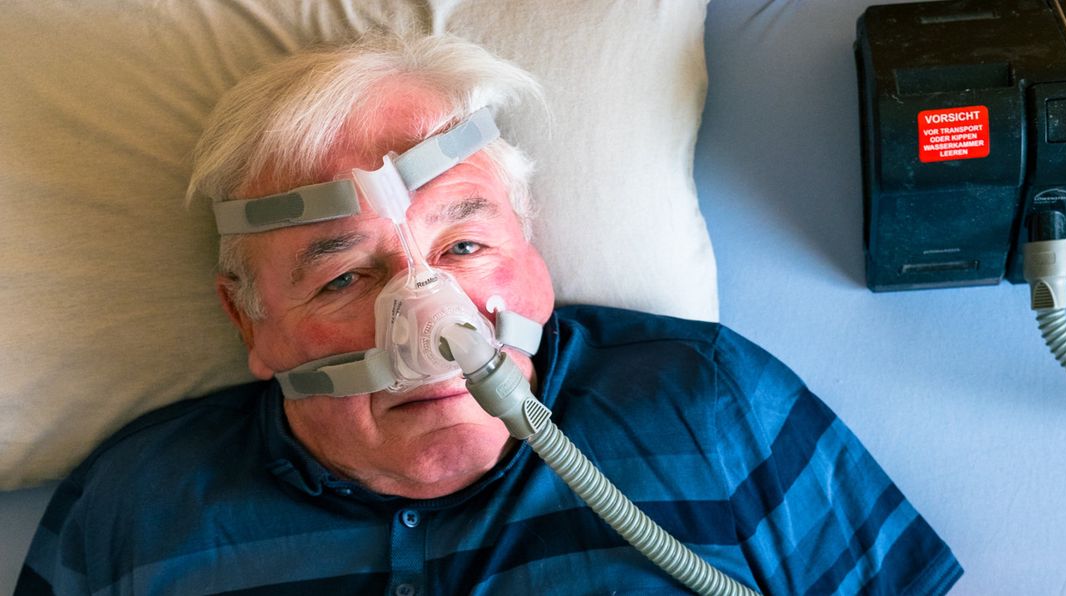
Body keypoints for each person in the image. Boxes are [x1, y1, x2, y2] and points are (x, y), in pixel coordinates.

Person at [18, 34, 961, 595]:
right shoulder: (133, 516)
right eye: (344, 278)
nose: (427, 323)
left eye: (462, 248)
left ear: (533, 253)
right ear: (250, 318)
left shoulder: (710, 407)